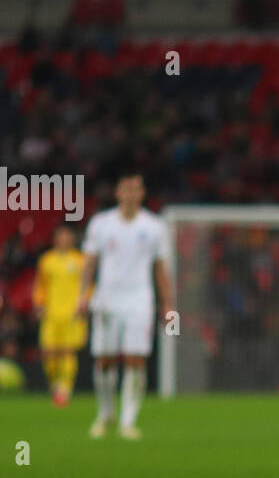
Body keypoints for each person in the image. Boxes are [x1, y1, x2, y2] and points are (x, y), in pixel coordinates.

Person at [77, 173, 174, 439]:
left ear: (142, 194)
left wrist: (169, 305)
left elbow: (161, 269)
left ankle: (128, 420)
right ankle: (105, 413)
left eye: (136, 189)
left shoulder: (155, 226)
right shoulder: (101, 223)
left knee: (134, 358)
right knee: (105, 360)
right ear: (118, 193)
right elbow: (89, 264)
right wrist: (81, 297)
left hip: (139, 299)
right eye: (126, 189)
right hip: (106, 299)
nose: (131, 194)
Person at [32, 225, 86, 406]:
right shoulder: (47, 261)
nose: (64, 239)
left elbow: (88, 285)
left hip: (72, 314)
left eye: (67, 236)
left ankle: (65, 389)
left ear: (72, 239)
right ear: (55, 239)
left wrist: (84, 302)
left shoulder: (80, 260)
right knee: (49, 352)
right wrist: (39, 303)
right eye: (60, 236)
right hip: (51, 313)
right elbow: (40, 285)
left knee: (67, 351)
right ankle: (55, 385)